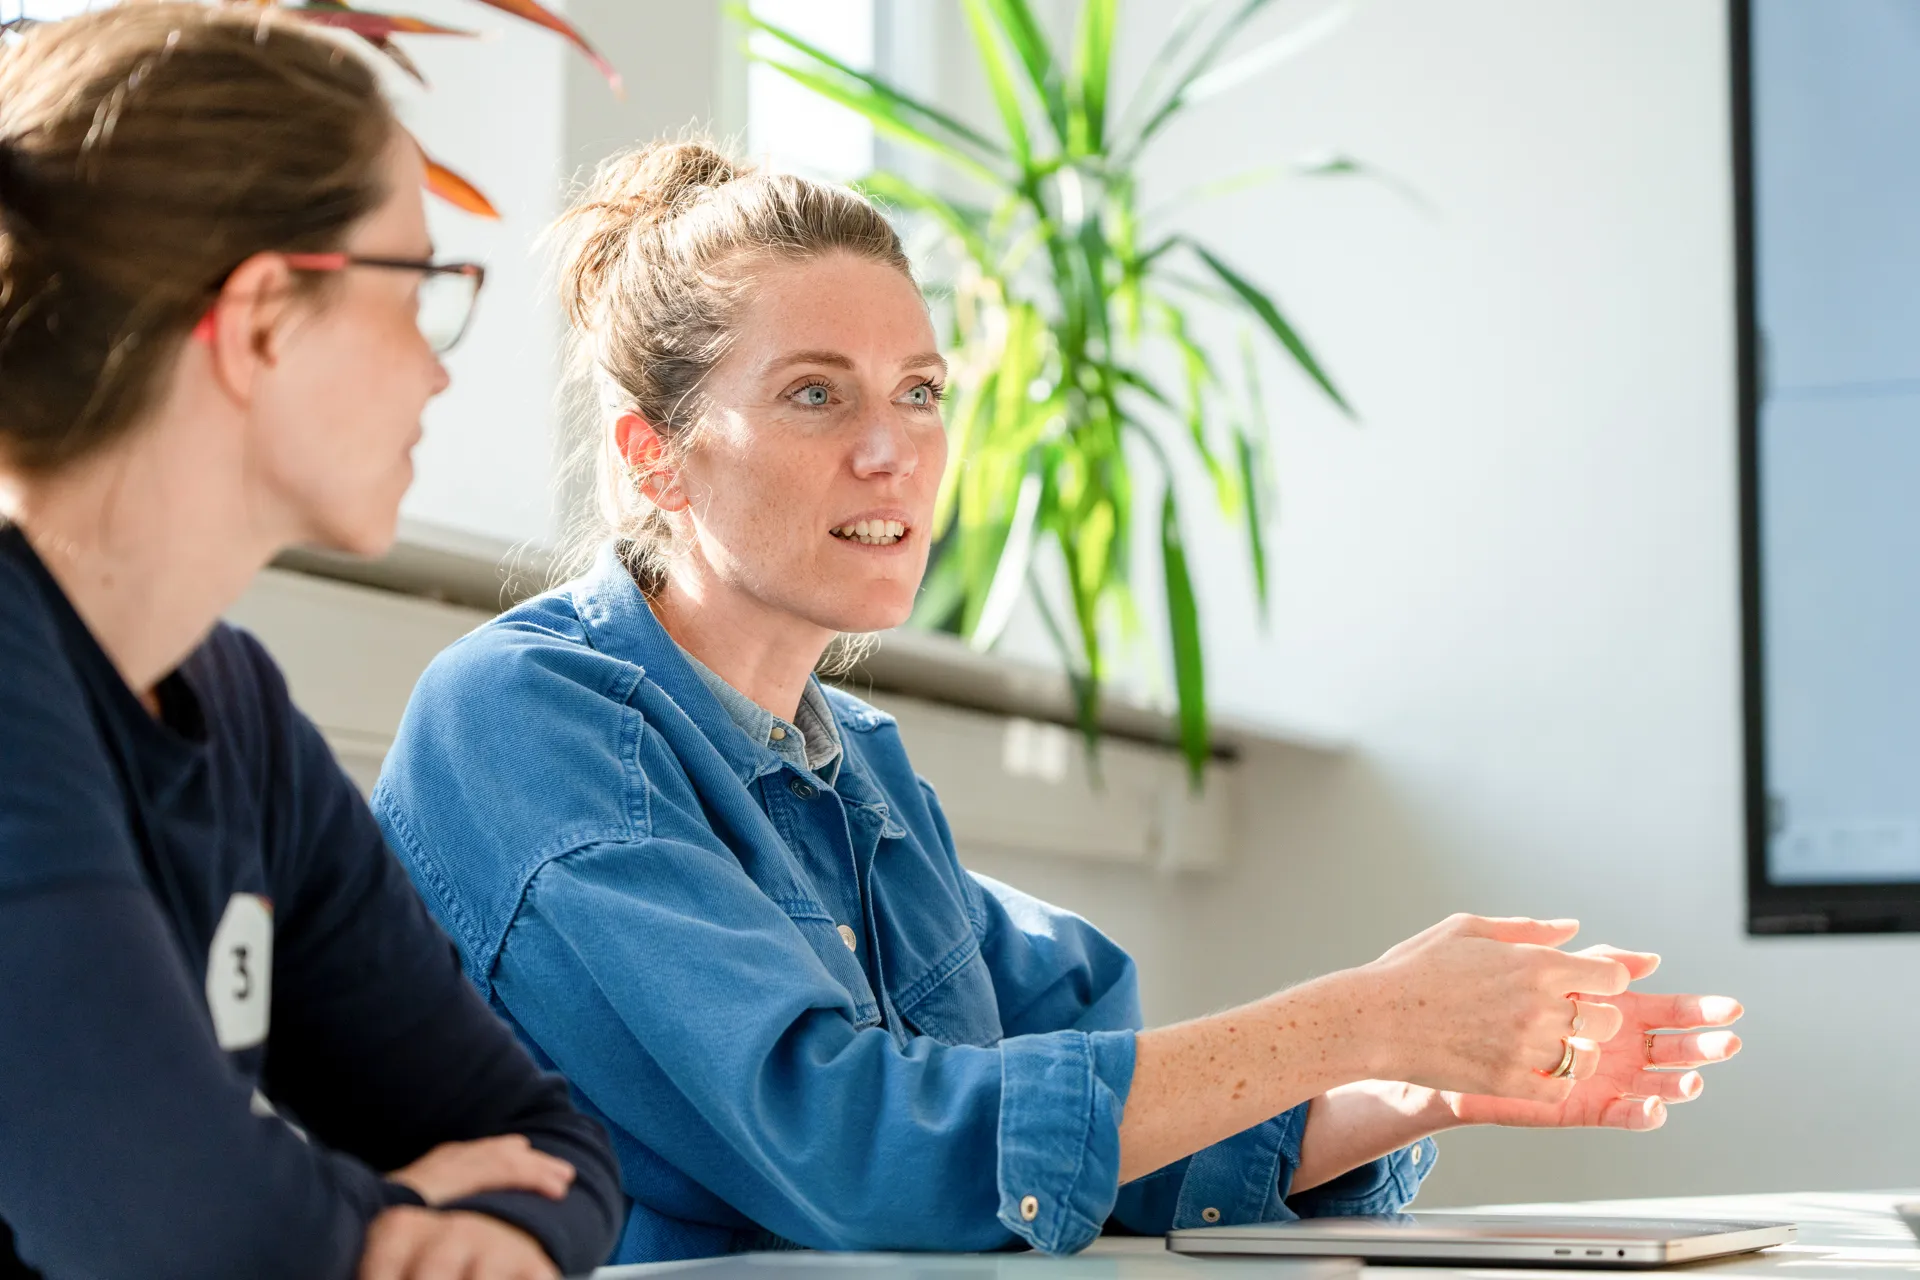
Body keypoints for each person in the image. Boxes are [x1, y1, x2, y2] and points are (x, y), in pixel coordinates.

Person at [372, 142, 1745, 1265]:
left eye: (920, 393)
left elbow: (1086, 1127)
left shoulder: (860, 775)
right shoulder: (527, 722)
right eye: (814, 395)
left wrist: (1414, 1085)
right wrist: (1363, 1016)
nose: (889, 450)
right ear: (655, 458)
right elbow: (864, 1154)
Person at [0, 8, 624, 1279]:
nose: (436, 375)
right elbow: (170, 1220)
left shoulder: (238, 713)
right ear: (267, 316)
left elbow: (556, 1148)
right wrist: (387, 1209)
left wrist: (409, 1228)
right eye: (418, 288)